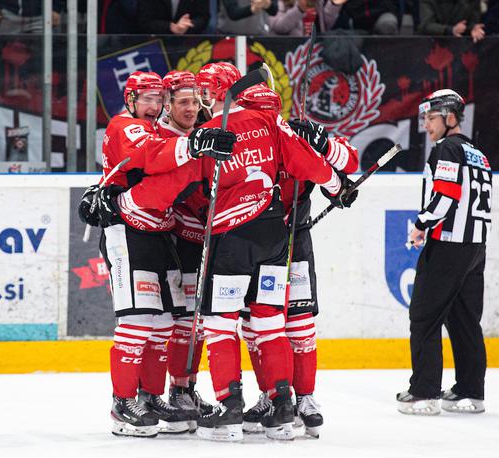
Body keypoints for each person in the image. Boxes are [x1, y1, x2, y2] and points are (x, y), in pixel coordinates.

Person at [107, 62, 355, 442]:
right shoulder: (272, 125)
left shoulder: (212, 132)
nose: (201, 102)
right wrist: (338, 185)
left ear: (218, 93)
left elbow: (180, 180)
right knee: (270, 322)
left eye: (204, 94)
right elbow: (310, 165)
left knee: (220, 323)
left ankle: (228, 409)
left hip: (232, 238)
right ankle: (282, 407)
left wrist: (125, 201)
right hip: (275, 238)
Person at [77, 71, 231, 437]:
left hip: (157, 234)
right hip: (127, 233)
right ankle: (122, 403)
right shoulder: (125, 125)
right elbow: (147, 158)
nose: (152, 105)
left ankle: (148, 396)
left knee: (161, 326)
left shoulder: (158, 132)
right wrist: (193, 149)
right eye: (146, 98)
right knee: (136, 324)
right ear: (130, 100)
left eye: (156, 99)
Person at [236, 85, 359, 439]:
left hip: (295, 245)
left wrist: (322, 142)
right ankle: (272, 395)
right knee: (256, 327)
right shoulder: (247, 142)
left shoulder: (294, 137)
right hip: (258, 246)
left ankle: (305, 398)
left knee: (299, 325)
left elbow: (347, 163)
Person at [396, 89, 492, 416]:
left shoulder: (447, 148)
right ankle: (470, 392)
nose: (425, 124)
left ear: (450, 117)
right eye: (424, 117)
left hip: (449, 245)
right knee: (464, 320)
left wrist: (421, 223)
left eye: (431, 117)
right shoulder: (477, 153)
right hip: (475, 247)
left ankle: (424, 394)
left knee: (424, 315)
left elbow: (446, 196)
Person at [155, 70, 213, 428]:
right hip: (176, 241)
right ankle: (175, 392)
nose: (192, 108)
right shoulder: (161, 137)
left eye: (196, 101)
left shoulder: (200, 135)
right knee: (180, 322)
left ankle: (188, 388)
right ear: (167, 104)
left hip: (201, 240)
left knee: (198, 322)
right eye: (184, 102)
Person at [418, 0, 485, 42]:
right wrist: (451, 30)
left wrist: (473, 28)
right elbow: (426, 26)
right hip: (433, 45)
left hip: (462, 46)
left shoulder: (471, 1)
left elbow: (473, 21)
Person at [268, 0, 346, 36]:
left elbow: (327, 26)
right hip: (292, 50)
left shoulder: (318, 2)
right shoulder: (281, 2)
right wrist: (299, 10)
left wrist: (334, 5)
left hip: (315, 49)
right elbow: (279, 28)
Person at [0, 0, 65, 33]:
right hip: (8, 14)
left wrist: (56, 8)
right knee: (6, 55)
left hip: (41, 16)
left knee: (41, 56)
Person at [138, 0, 210, 34]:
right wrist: (171, 27)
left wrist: (187, 24)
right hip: (153, 39)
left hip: (188, 38)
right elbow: (144, 21)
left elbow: (203, 17)